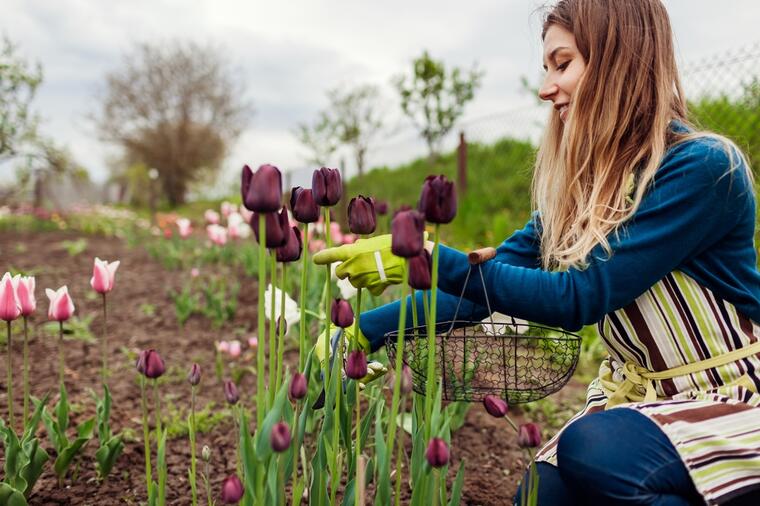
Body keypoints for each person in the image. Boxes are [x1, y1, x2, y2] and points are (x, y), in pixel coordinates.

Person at [314, 0, 760, 504]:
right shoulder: (587, 190)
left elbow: (583, 296)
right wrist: (362, 330)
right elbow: (485, 288)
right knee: (540, 495)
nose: (547, 88)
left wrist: (431, 257)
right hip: (642, 400)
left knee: (594, 451)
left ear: (620, 60)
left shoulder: (701, 168)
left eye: (563, 64)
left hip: (727, 398)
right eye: (546, 68)